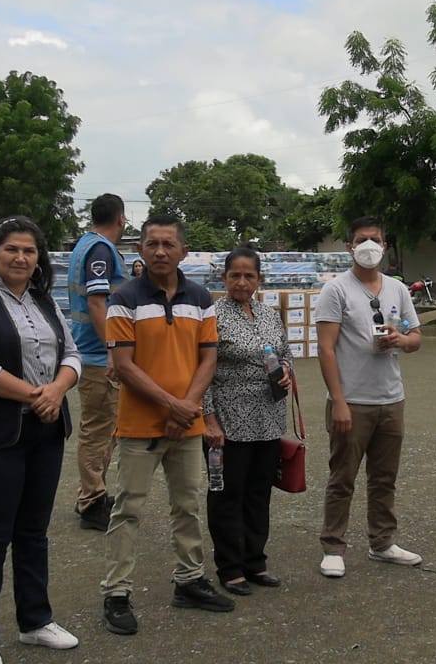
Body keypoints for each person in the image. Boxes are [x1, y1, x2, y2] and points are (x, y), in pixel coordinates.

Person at [0, 216, 82, 663]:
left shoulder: (45, 302)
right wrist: (35, 395)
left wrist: (57, 390)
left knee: (33, 531)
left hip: (46, 431)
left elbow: (72, 354)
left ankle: (35, 621)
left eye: (29, 251)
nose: (21, 258)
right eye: (11, 249)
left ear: (39, 259)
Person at [100, 214, 232, 637]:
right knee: (128, 509)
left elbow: (208, 358)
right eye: (152, 243)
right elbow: (124, 365)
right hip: (140, 425)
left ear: (183, 251)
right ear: (140, 249)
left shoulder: (201, 298)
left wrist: (187, 408)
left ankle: (189, 580)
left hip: (187, 425)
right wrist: (175, 406)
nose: (160, 251)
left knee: (187, 505)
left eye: (168, 244)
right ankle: (116, 593)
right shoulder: (124, 298)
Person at [314, 216, 423, 578]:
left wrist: (400, 339)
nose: (368, 246)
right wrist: (339, 401)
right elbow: (326, 349)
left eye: (375, 239)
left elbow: (416, 338)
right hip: (352, 401)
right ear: (349, 246)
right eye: (361, 240)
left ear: (385, 246)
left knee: (384, 477)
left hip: (391, 398)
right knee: (342, 477)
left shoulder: (398, 289)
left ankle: (382, 542)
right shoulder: (336, 291)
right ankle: (333, 546)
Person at [202, 247, 292, 595]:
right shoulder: (212, 316)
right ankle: (230, 567)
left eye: (248, 276)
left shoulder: (269, 315)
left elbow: (285, 354)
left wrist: (286, 371)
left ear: (259, 279)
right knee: (227, 494)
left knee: (258, 493)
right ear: (223, 278)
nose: (241, 282)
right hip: (228, 424)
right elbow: (201, 371)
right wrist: (209, 420)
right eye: (235, 275)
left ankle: (255, 561)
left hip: (268, 420)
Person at [67, 194, 126, 531]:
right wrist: (113, 348)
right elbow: (96, 303)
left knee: (103, 429)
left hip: (91, 351)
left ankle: (95, 492)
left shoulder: (84, 245)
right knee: (98, 431)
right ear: (121, 218)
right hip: (97, 355)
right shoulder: (101, 250)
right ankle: (90, 501)